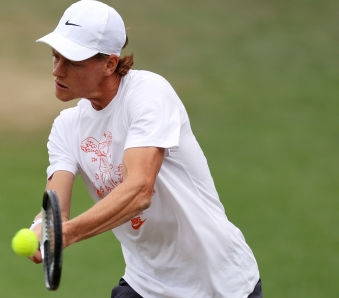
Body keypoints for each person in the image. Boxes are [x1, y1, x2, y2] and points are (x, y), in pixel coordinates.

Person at [28, 1, 262, 297]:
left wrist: (68, 234)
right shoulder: (66, 127)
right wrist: (42, 229)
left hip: (220, 284)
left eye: (72, 62)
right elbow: (55, 212)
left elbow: (139, 191)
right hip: (146, 285)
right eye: (55, 57)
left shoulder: (148, 94)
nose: (57, 71)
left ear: (110, 64)